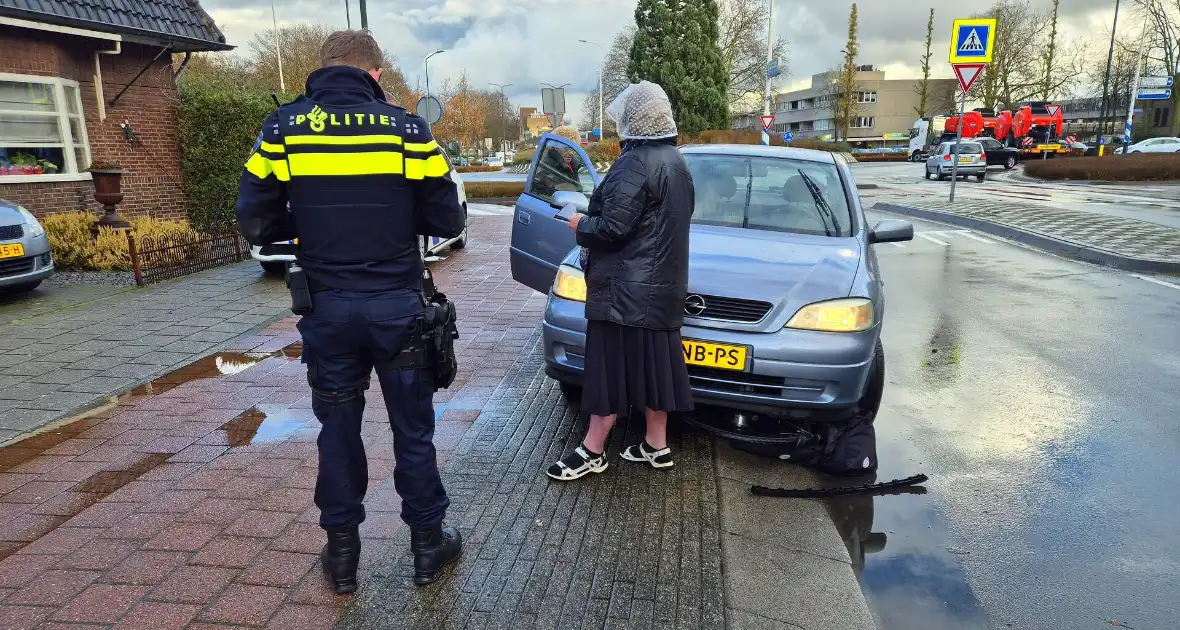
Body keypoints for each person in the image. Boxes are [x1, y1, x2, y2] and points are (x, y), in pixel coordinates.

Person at [235, 30, 464, 591]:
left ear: (322, 68)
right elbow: (449, 220)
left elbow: (255, 219)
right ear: (376, 75)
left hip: (328, 310)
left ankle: (342, 558)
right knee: (413, 431)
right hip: (398, 309)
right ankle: (428, 547)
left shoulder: (282, 128)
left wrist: (309, 233)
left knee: (337, 431)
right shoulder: (409, 129)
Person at [546, 81, 695, 481]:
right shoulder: (677, 161)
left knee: (607, 371)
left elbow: (612, 228)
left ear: (635, 119)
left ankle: (593, 449)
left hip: (623, 292)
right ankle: (655, 444)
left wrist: (578, 222)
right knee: (656, 367)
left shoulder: (636, 162)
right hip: (661, 289)